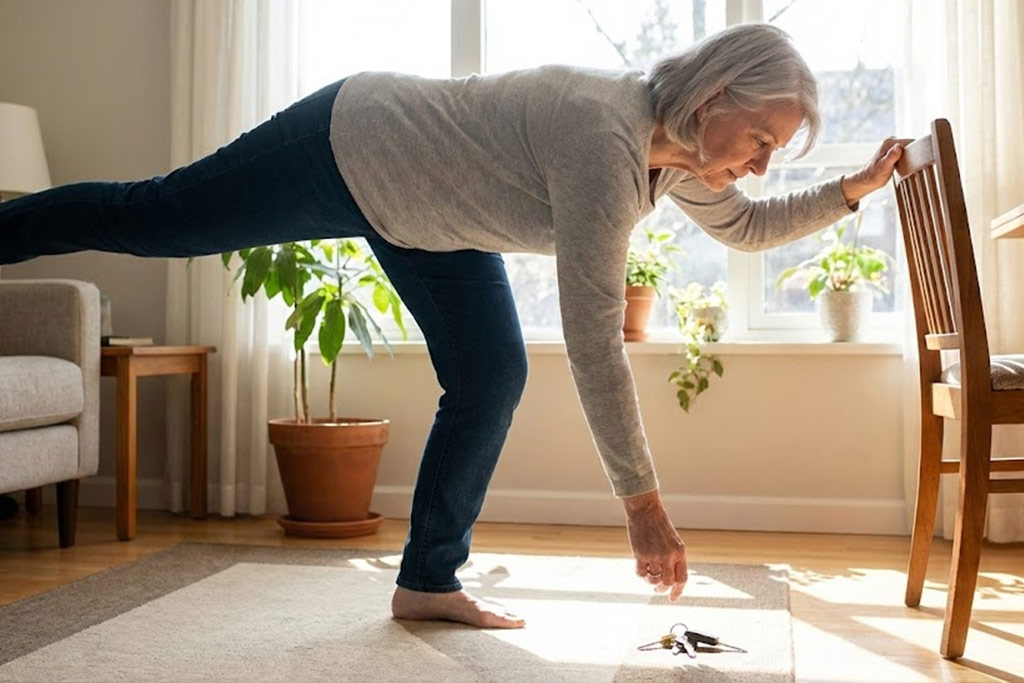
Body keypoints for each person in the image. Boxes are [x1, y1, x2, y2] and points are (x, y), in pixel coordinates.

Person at [0, 23, 904, 629]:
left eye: (777, 147)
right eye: (763, 136)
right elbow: (595, 342)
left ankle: (428, 579)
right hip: (355, 140)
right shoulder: (606, 141)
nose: (765, 157)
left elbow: (749, 228)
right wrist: (645, 510)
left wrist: (853, 189)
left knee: (489, 376)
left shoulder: (683, 164)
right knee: (156, 219)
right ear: (713, 99)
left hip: (431, 217)